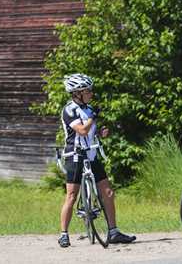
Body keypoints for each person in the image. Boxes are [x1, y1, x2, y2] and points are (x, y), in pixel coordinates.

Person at [58, 73, 136, 248]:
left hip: (92, 154)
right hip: (75, 156)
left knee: (108, 192)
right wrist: (93, 117)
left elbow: (92, 132)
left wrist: (101, 133)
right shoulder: (69, 110)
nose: (91, 93)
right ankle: (64, 234)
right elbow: (82, 131)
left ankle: (113, 231)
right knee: (71, 196)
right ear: (77, 93)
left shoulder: (88, 108)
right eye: (87, 91)